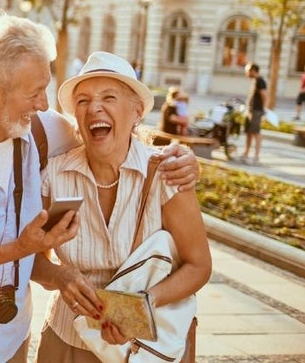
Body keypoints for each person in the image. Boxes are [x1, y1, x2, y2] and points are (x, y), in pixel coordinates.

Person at [0, 14, 200, 363]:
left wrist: (181, 157)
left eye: (46, 89)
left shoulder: (43, 131)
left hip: (10, 338)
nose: (43, 104)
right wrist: (22, 249)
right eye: (35, 92)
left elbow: (108, 134)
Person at [31, 51, 212, 362]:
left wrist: (138, 307)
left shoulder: (165, 175)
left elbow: (199, 266)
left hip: (145, 347)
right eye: (83, 101)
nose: (94, 108)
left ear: (137, 111)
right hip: (67, 341)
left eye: (109, 97)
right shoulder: (55, 178)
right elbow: (33, 256)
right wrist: (59, 277)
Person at [240, 62, 267, 164]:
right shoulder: (255, 81)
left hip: (256, 111)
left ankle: (256, 156)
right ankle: (246, 153)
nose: (246, 74)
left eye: (247, 71)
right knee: (248, 133)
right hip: (250, 111)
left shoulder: (260, 81)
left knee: (256, 133)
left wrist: (263, 109)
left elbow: (264, 95)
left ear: (253, 71)